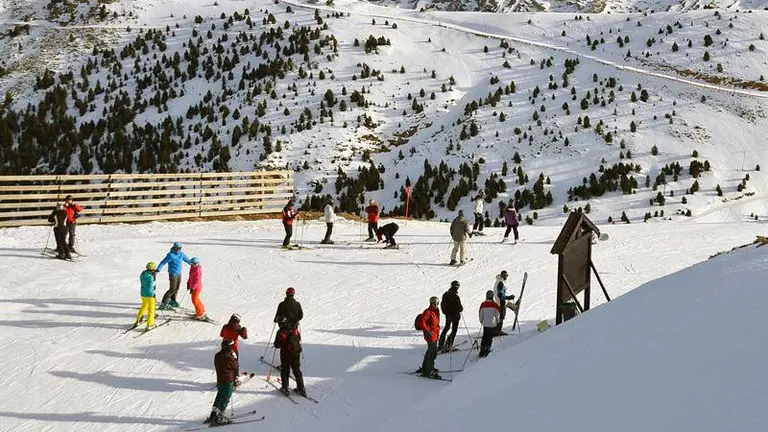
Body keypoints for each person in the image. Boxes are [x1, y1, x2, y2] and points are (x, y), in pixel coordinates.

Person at [206, 339, 238, 426]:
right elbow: (235, 367)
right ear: (229, 347)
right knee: (225, 398)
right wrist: (235, 358)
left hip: (220, 380)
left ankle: (213, 414)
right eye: (231, 346)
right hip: (228, 380)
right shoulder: (229, 357)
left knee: (219, 396)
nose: (232, 348)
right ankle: (220, 417)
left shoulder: (217, 355)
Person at [274, 317, 307, 396]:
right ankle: (301, 388)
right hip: (296, 352)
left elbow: (277, 345)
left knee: (285, 369)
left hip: (286, 353)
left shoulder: (281, 331)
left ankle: (285, 387)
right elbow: (299, 338)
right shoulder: (294, 328)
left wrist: (279, 344)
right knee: (296, 369)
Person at [157, 242, 192, 310]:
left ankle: (173, 301)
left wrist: (193, 263)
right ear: (174, 248)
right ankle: (163, 303)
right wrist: (158, 269)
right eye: (177, 248)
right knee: (172, 289)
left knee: (176, 288)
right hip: (172, 274)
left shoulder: (181, 254)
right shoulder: (171, 255)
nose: (179, 250)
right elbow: (162, 262)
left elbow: (187, 260)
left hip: (179, 273)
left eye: (180, 248)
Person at [416, 296, 441, 379]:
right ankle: (429, 370)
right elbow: (422, 322)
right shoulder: (428, 312)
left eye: (437, 304)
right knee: (432, 353)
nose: (436, 305)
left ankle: (425, 367)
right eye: (434, 304)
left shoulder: (436, 311)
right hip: (430, 335)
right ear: (431, 303)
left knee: (430, 351)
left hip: (435, 334)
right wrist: (427, 331)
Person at [438, 280, 463, 353]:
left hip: (448, 315)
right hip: (455, 316)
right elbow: (460, 308)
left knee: (446, 328)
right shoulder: (456, 297)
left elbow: (442, 305)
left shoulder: (445, 294)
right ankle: (448, 344)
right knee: (454, 330)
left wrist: (446, 312)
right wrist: (460, 308)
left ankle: (441, 344)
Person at [134, 262, 158, 330]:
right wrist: (153, 294)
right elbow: (151, 287)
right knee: (151, 310)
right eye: (154, 269)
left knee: (144, 306)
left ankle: (138, 321)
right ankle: (150, 324)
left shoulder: (143, 274)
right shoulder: (151, 277)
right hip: (150, 295)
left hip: (143, 293)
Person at [493, 270, 516, 336]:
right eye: (504, 275)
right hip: (501, 302)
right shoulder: (500, 283)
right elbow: (500, 295)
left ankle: (496, 330)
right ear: (501, 275)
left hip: (499, 301)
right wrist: (509, 297)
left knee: (500, 315)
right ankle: (498, 331)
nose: (506, 277)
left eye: (507, 275)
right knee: (502, 316)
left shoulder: (499, 281)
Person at [478, 290, 501, 358]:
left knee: (485, 335)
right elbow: (497, 315)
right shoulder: (495, 305)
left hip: (485, 323)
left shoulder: (483, 304)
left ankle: (482, 348)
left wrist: (481, 321)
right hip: (492, 323)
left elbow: (480, 314)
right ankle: (488, 348)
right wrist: (497, 321)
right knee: (489, 336)